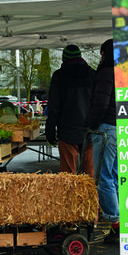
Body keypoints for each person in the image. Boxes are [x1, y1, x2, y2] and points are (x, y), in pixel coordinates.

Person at [45, 45, 95, 175]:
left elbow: (53, 106)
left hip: (67, 132)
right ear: (80, 57)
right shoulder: (92, 75)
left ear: (63, 59)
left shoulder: (59, 76)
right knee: (89, 177)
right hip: (90, 132)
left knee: (68, 177)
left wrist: (50, 131)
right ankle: (89, 196)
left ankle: (70, 196)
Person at [87, 39, 119, 242]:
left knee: (104, 178)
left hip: (106, 128)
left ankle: (116, 222)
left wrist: (90, 123)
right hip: (120, 127)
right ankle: (122, 220)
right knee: (115, 176)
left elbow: (100, 103)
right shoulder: (124, 72)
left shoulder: (106, 73)